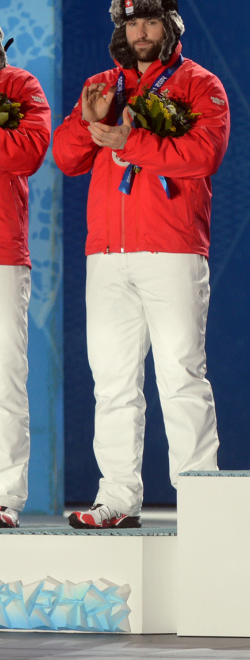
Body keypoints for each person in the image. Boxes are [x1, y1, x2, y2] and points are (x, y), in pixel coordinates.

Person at [53, 0, 229, 528]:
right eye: (132, 24)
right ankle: (118, 497)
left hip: (171, 249)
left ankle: (200, 500)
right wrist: (91, 123)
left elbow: (204, 155)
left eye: (150, 22)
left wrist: (127, 141)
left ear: (170, 25)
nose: (140, 33)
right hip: (106, 255)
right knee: (112, 382)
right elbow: (64, 157)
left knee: (180, 374)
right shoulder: (102, 84)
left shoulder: (201, 84)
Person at [0, 26, 50, 529]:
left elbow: (28, 151)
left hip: (2, 254)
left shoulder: (20, 86)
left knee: (5, 377)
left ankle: (3, 494)